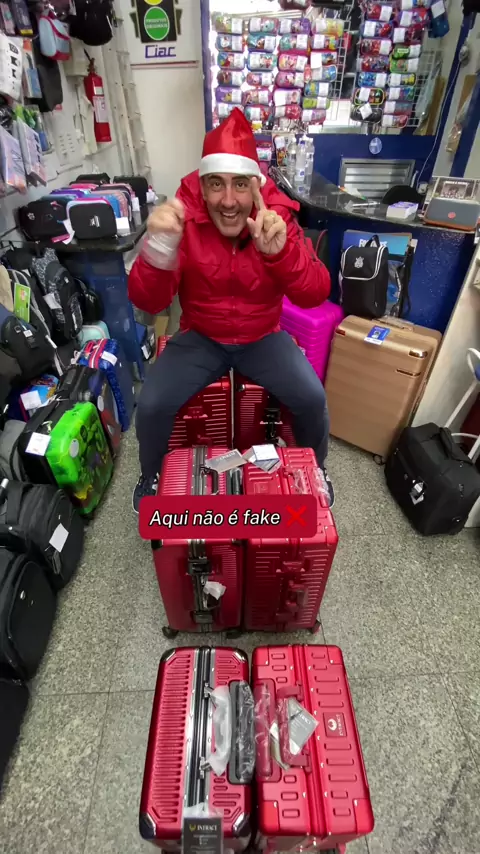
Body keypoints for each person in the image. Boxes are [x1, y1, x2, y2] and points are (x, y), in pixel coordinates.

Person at [128, 108, 332, 513]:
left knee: (312, 399)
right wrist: (161, 248)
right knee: (150, 406)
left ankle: (317, 472)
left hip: (263, 336)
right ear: (202, 187)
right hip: (201, 336)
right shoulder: (183, 220)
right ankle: (151, 475)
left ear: (256, 185)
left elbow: (316, 293)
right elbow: (149, 303)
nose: (228, 200)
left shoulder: (277, 219)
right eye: (216, 184)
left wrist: (283, 255)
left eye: (240, 184)